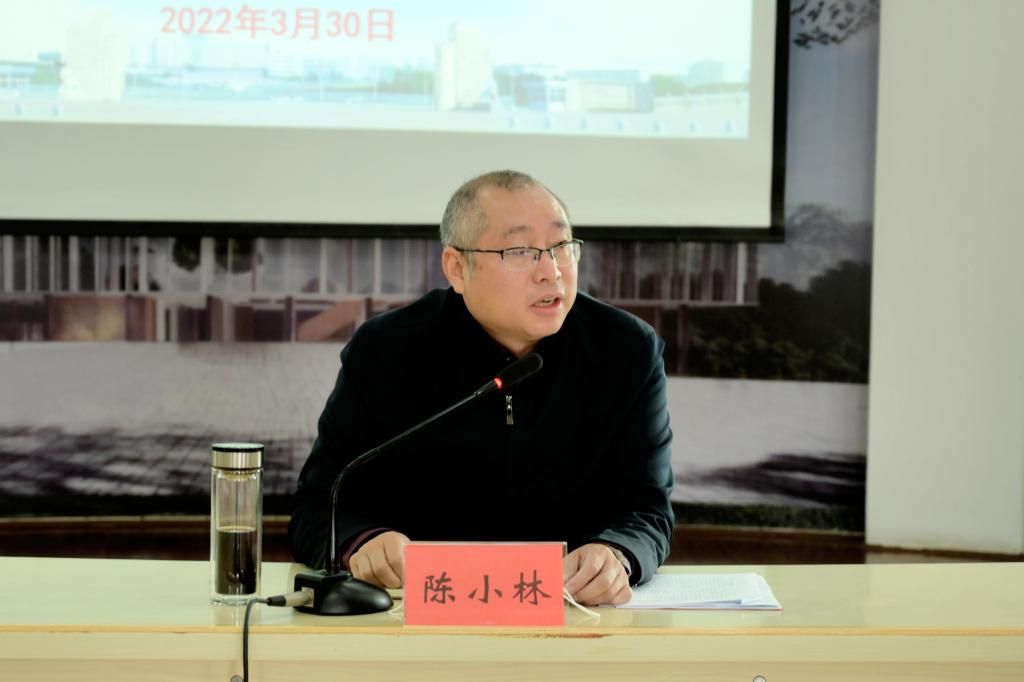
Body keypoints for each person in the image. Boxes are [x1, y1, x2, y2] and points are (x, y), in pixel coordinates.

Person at [289, 170, 674, 606]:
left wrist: (617, 554)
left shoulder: (625, 350)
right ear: (457, 268)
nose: (551, 272)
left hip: (574, 613)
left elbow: (647, 510)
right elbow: (319, 504)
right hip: (414, 612)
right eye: (521, 251)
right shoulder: (386, 350)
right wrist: (362, 542)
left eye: (562, 246)